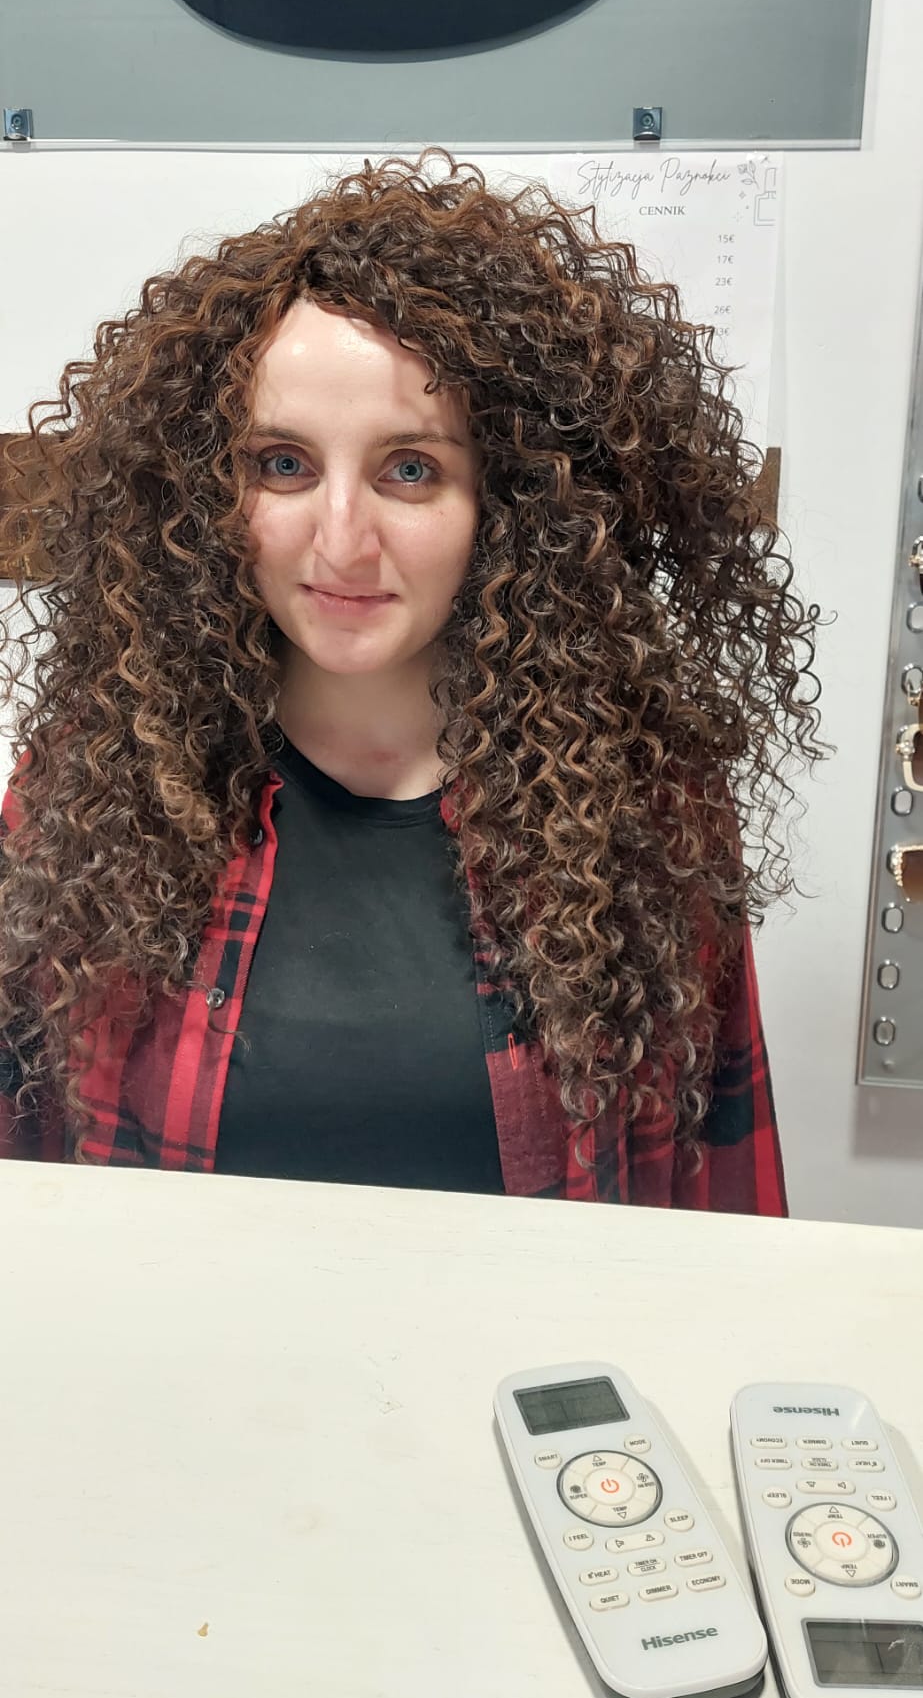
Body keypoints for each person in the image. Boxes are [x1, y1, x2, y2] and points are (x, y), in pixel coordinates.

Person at [0, 150, 826, 1206]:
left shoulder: (646, 813)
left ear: (513, 505)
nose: (341, 540)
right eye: (283, 464)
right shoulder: (92, 791)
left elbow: (718, 1202)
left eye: (409, 469)